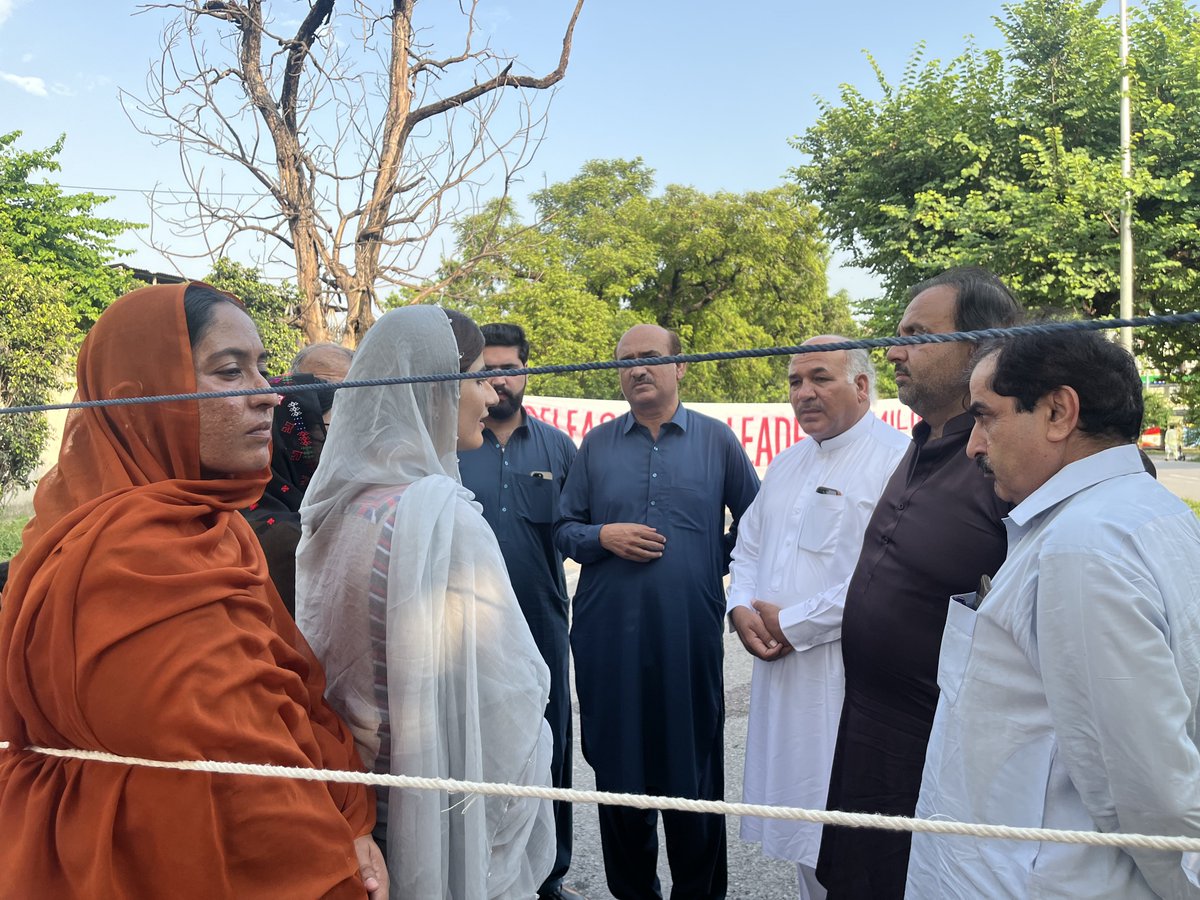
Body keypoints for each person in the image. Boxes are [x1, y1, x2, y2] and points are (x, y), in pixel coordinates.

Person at [0, 283, 384, 898]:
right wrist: (341, 855)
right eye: (230, 371)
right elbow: (238, 783)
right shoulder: (127, 553)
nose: (268, 395)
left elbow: (284, 701)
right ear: (138, 401)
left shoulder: (217, 525)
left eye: (263, 366)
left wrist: (352, 819)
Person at [908, 329, 1200, 898]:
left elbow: (1146, 789)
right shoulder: (1145, 513)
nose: (972, 446)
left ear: (1058, 412)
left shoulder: (1082, 547)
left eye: (986, 417)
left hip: (1034, 880)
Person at [296, 305, 555, 899]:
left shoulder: (339, 509)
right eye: (473, 376)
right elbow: (510, 700)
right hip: (434, 823)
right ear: (433, 388)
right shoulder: (442, 518)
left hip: (358, 810)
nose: (489, 396)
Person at [816, 266, 1021, 899]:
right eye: (896, 334)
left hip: (941, 759)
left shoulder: (1010, 461)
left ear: (981, 347)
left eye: (917, 336)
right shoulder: (923, 441)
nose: (895, 352)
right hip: (867, 733)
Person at [555, 323, 760, 900]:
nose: (637, 369)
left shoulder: (716, 441)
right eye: (625, 361)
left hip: (687, 637)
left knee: (693, 775)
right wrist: (604, 536)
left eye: (649, 358)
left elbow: (759, 524)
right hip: (607, 641)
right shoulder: (596, 445)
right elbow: (564, 532)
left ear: (680, 367)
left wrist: (707, 559)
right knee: (620, 778)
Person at [728, 337, 909, 900]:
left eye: (820, 378)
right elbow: (748, 548)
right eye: (795, 381)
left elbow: (888, 574)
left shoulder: (897, 461)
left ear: (861, 386)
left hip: (848, 677)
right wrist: (741, 608)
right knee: (801, 825)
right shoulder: (787, 461)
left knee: (851, 834)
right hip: (782, 675)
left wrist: (795, 624)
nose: (803, 392)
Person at [458, 322, 581, 900]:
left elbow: (580, 531)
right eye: (487, 371)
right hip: (467, 630)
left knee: (549, 747)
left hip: (541, 625)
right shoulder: (455, 445)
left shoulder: (559, 449)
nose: (499, 381)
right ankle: (482, 874)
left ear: (527, 372)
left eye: (509, 368)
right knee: (477, 747)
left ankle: (550, 875)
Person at [241, 372, 335, 616]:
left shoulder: (243, 506)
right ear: (294, 440)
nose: (341, 445)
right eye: (328, 432)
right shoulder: (292, 537)